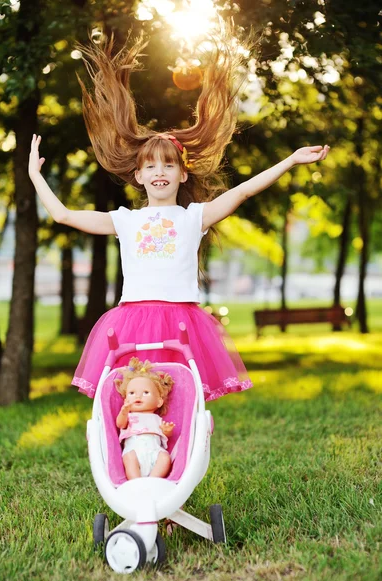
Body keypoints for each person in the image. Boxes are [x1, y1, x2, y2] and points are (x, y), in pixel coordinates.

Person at [28, 31, 329, 402]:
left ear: (182, 174)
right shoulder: (125, 220)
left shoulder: (193, 218)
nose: (159, 172)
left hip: (182, 323)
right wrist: (35, 177)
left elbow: (245, 190)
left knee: (178, 401)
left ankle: (179, 454)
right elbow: (62, 216)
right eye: (150, 166)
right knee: (136, 401)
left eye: (168, 165)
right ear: (138, 176)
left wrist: (291, 160)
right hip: (132, 321)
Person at [115, 357, 174, 479]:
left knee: (165, 458)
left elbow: (166, 435)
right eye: (132, 393)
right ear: (126, 400)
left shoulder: (156, 418)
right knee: (129, 458)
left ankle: (153, 479)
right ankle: (136, 482)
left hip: (154, 453)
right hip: (134, 452)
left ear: (159, 401)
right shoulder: (129, 416)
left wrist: (167, 431)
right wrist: (124, 412)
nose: (138, 396)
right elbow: (120, 424)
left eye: (146, 393)